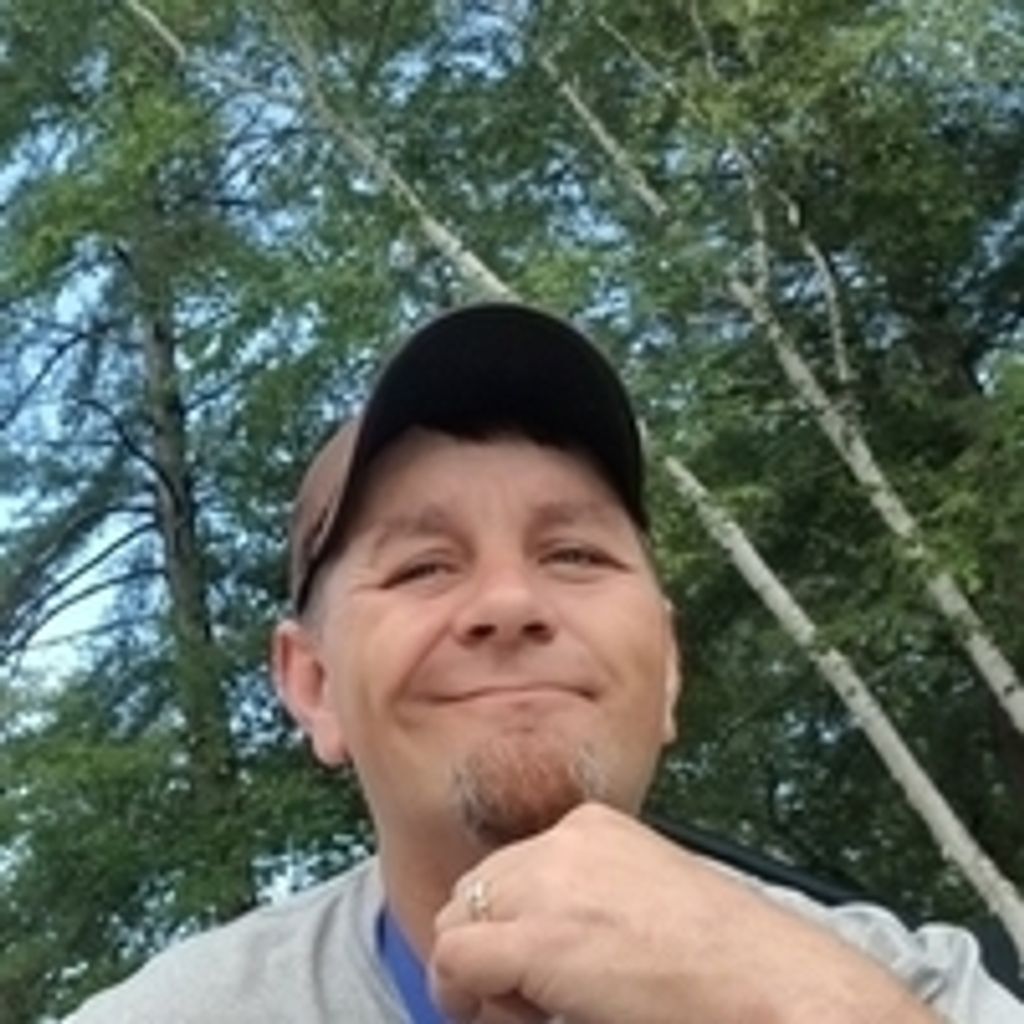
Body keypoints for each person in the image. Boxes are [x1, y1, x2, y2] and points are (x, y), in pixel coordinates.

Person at [68, 303, 1023, 1023]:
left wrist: (797, 1006)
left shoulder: (919, 985)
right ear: (313, 685)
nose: (510, 604)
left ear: (669, 667)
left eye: (574, 555)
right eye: (424, 566)